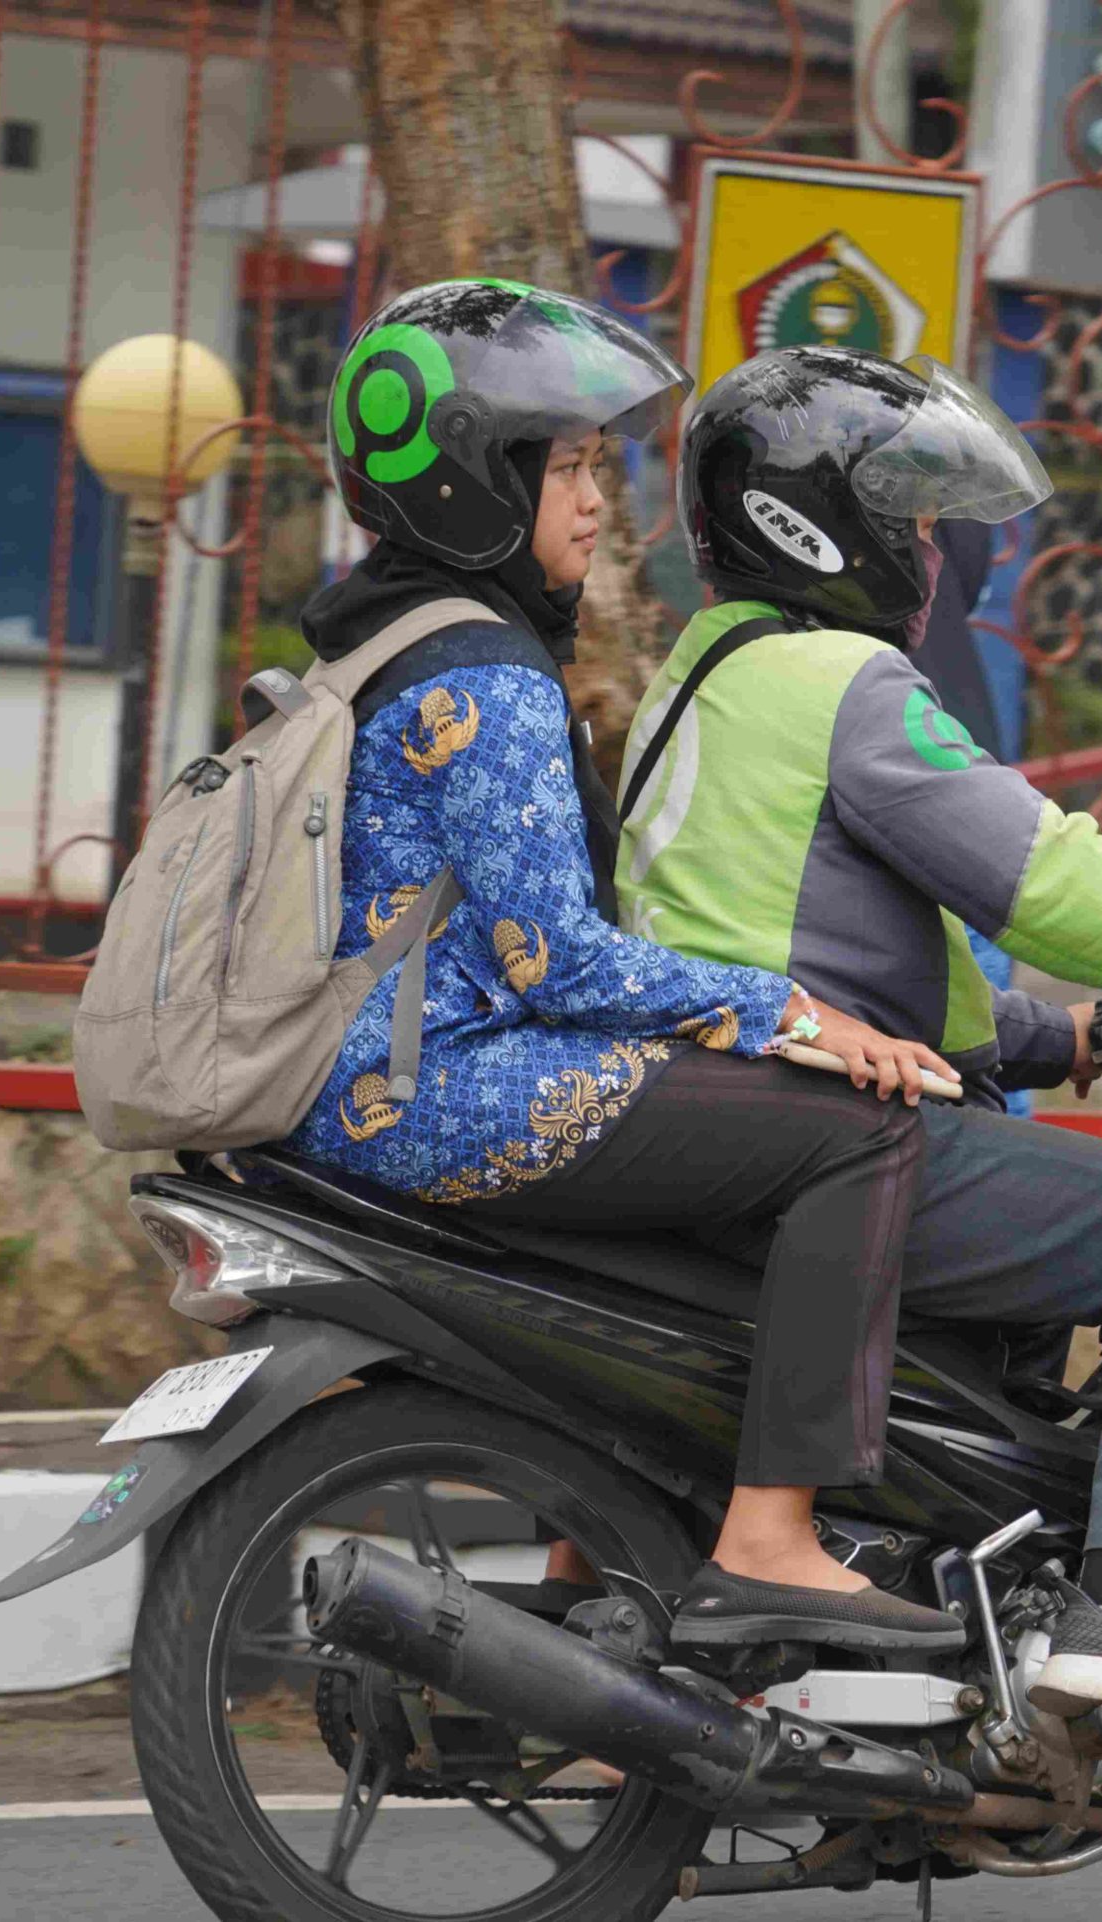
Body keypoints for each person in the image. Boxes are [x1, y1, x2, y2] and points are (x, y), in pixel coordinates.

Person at [618, 345, 1102, 1707]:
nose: (931, 551)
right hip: (828, 1141)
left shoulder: (701, 679)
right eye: (912, 517)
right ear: (820, 521)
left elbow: (817, 940)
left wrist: (1076, 1040)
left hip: (732, 1127)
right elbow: (1049, 882)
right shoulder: (844, 686)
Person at [282, 282, 962, 1653]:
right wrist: (794, 1012)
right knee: (857, 1131)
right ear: (476, 481)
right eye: (568, 467)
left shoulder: (380, 636)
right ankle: (770, 1536)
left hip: (372, 1082)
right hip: (443, 1089)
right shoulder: (488, 674)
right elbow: (557, 961)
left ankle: (606, 1601)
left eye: (599, 464)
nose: (599, 501)